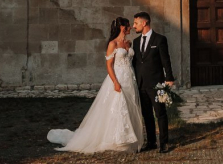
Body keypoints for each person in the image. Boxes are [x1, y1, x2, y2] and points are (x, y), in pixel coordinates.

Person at [46, 16, 145, 153]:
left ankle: (129, 139)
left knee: (129, 106)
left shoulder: (128, 43)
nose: (131, 28)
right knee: (118, 106)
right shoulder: (113, 44)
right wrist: (115, 82)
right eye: (128, 25)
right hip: (118, 78)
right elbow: (109, 66)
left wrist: (129, 53)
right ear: (122, 27)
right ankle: (117, 140)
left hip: (130, 79)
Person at [132, 11, 175, 154]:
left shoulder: (159, 40)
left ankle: (164, 143)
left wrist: (169, 78)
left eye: (136, 23)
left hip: (157, 84)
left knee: (160, 113)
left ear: (144, 23)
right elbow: (136, 63)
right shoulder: (136, 42)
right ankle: (151, 142)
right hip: (141, 84)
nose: (134, 26)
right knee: (147, 115)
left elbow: (165, 60)